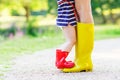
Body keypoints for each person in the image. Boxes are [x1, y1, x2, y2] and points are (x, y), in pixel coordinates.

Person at [55, 0, 94, 72]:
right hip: (67, 19)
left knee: (71, 40)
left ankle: (82, 61)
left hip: (66, 18)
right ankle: (62, 61)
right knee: (71, 41)